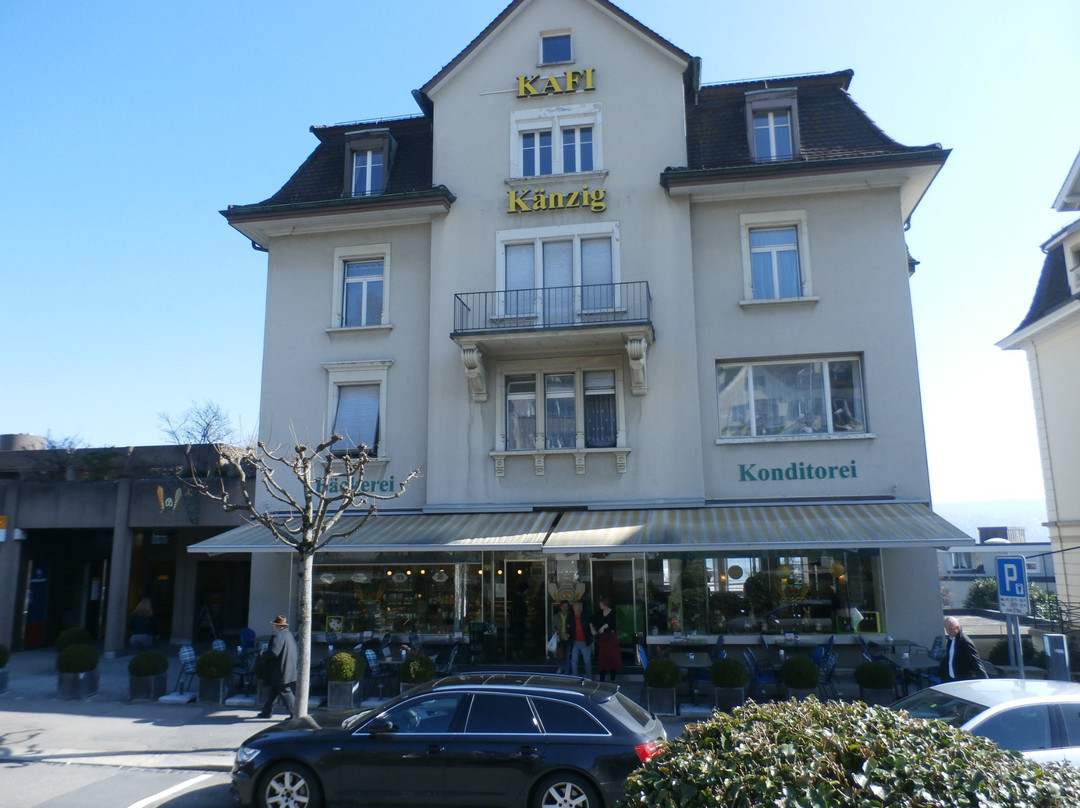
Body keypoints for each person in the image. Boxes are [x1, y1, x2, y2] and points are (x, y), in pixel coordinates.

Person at [258, 614, 298, 719]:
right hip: (288, 668)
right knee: (274, 691)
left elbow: (274, 652)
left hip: (280, 670)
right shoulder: (288, 634)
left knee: (285, 691)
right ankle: (267, 711)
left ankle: (295, 713)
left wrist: (263, 654)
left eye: (273, 625)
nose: (273, 627)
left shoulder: (279, 636)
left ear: (277, 626)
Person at [944, 616, 988, 681]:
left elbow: (975, 661)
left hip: (963, 679)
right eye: (946, 629)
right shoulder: (951, 639)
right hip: (953, 678)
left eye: (950, 629)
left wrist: (985, 680)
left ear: (957, 627)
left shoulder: (964, 641)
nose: (948, 632)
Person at [593, 597, 623, 682]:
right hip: (602, 639)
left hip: (611, 639)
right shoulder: (599, 613)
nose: (599, 604)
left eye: (601, 603)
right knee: (602, 659)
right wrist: (592, 628)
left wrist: (604, 627)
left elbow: (611, 623)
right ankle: (602, 680)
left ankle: (612, 679)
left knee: (612, 659)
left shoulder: (613, 613)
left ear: (605, 604)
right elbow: (593, 621)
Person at [569, 600, 593, 677]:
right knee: (574, 660)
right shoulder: (571, 616)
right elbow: (568, 626)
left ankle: (589, 677)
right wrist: (567, 634)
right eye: (574, 611)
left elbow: (592, 624)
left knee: (587, 661)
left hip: (585, 641)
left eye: (578, 611)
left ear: (581, 609)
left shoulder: (587, 615)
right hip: (575, 641)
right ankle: (574, 676)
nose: (576, 613)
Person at [509, 582, 528, 661]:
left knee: (519, 638)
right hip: (517, 622)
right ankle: (516, 654)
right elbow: (518, 610)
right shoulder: (518, 599)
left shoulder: (517, 598)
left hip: (517, 622)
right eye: (526, 591)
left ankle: (518, 653)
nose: (527, 592)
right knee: (517, 639)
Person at [554, 600, 572, 674]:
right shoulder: (556, 616)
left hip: (568, 638)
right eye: (563, 606)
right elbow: (552, 626)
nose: (565, 608)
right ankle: (561, 666)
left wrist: (570, 628)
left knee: (567, 656)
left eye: (566, 606)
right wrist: (556, 631)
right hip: (559, 639)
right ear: (561, 607)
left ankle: (566, 673)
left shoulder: (571, 616)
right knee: (556, 655)